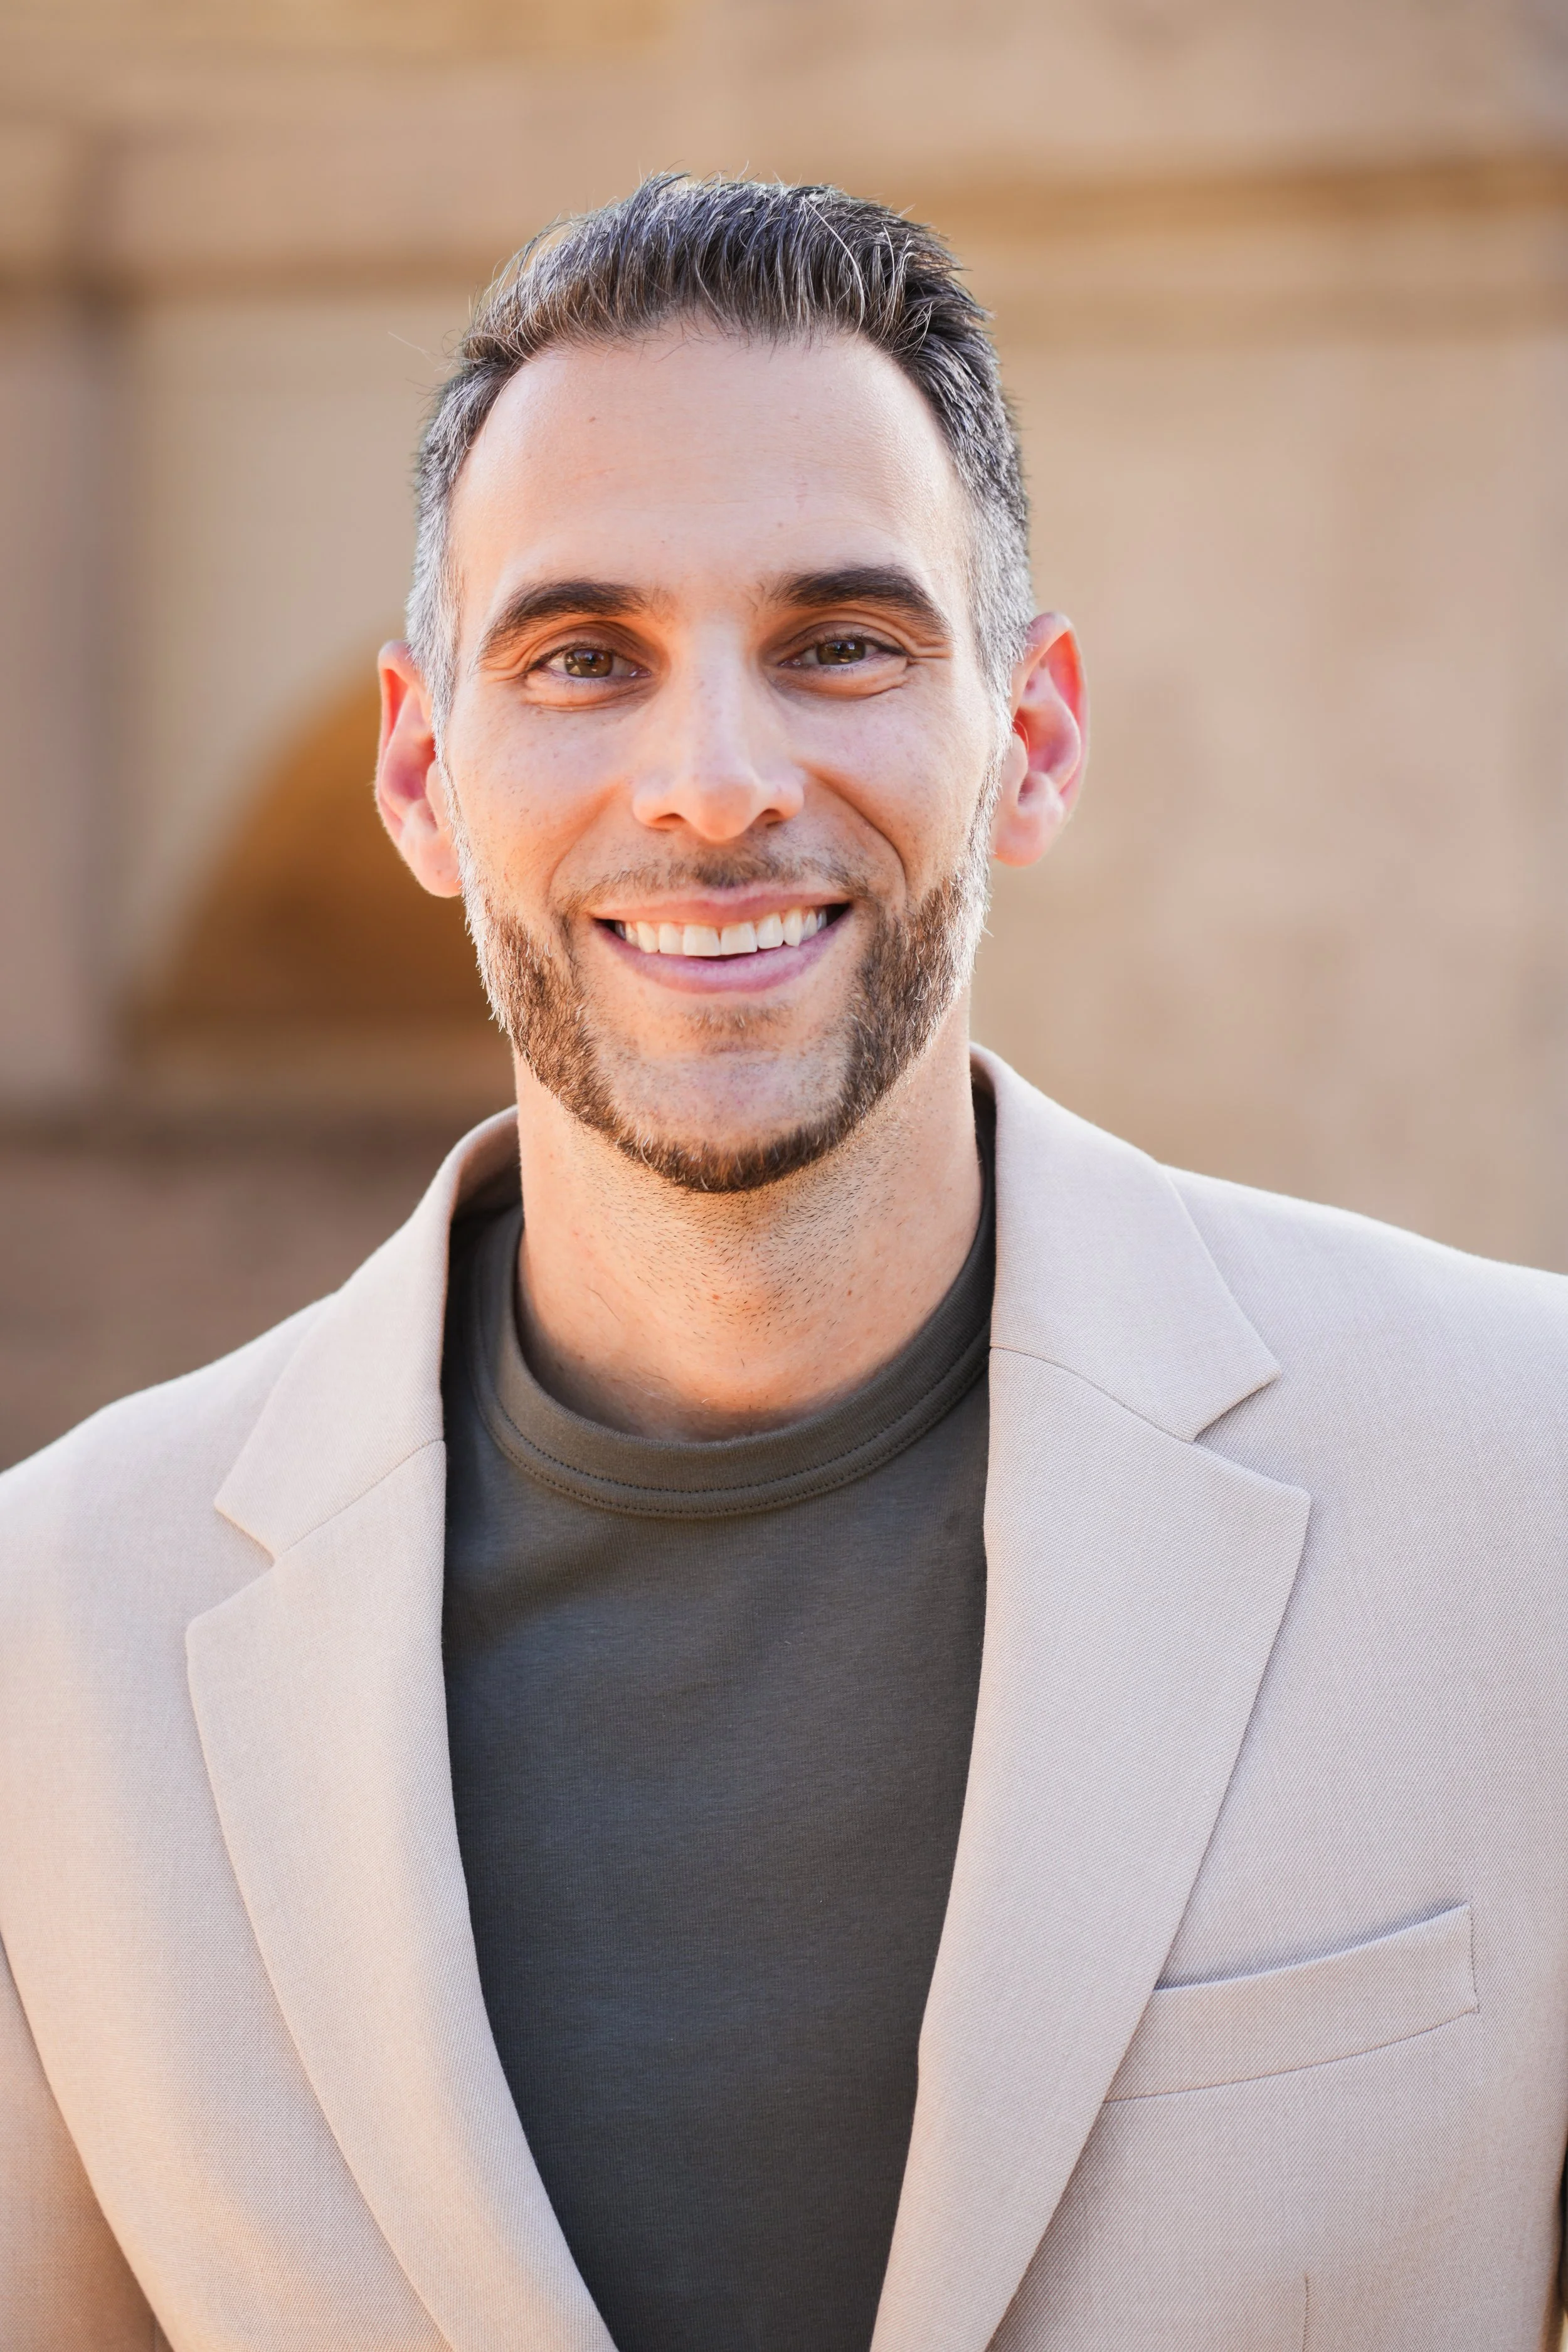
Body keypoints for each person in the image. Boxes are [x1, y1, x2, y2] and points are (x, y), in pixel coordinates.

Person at [2, 171, 1565, 2352]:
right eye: (580, 658)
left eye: (839, 641)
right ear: (421, 766)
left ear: (1027, 736)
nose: (715, 785)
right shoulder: (55, 1631)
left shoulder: (1521, 1488)